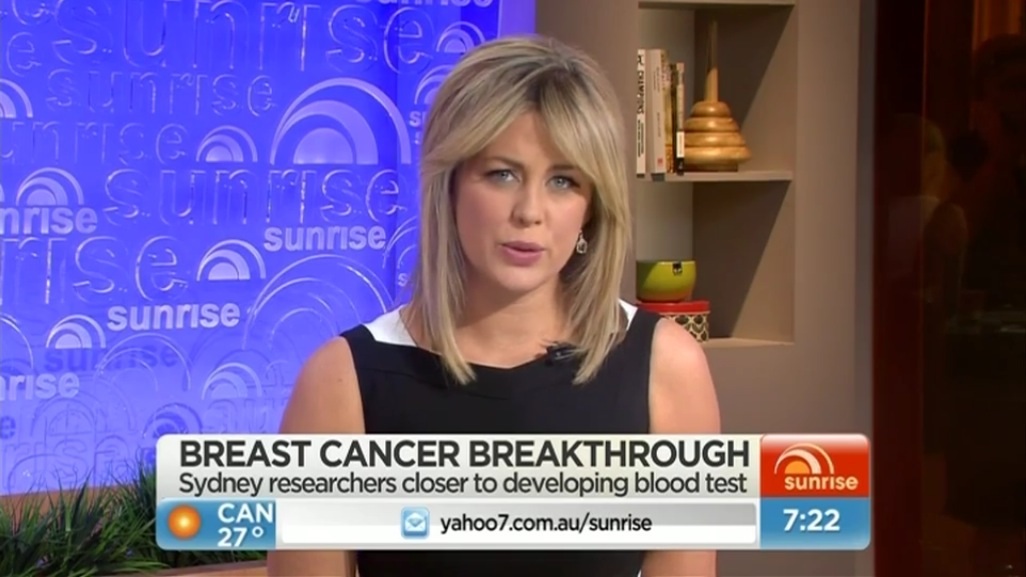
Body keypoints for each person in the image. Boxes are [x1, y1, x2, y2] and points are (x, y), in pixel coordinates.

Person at [265, 35, 721, 577]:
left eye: (563, 181)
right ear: (450, 187)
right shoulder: (342, 382)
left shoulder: (666, 368)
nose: (530, 211)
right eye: (502, 174)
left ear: (591, 209)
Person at [924, 32, 1026, 577]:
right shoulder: (962, 157)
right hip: (989, 365)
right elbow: (948, 234)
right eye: (1010, 87)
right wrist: (999, 156)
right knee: (995, 515)